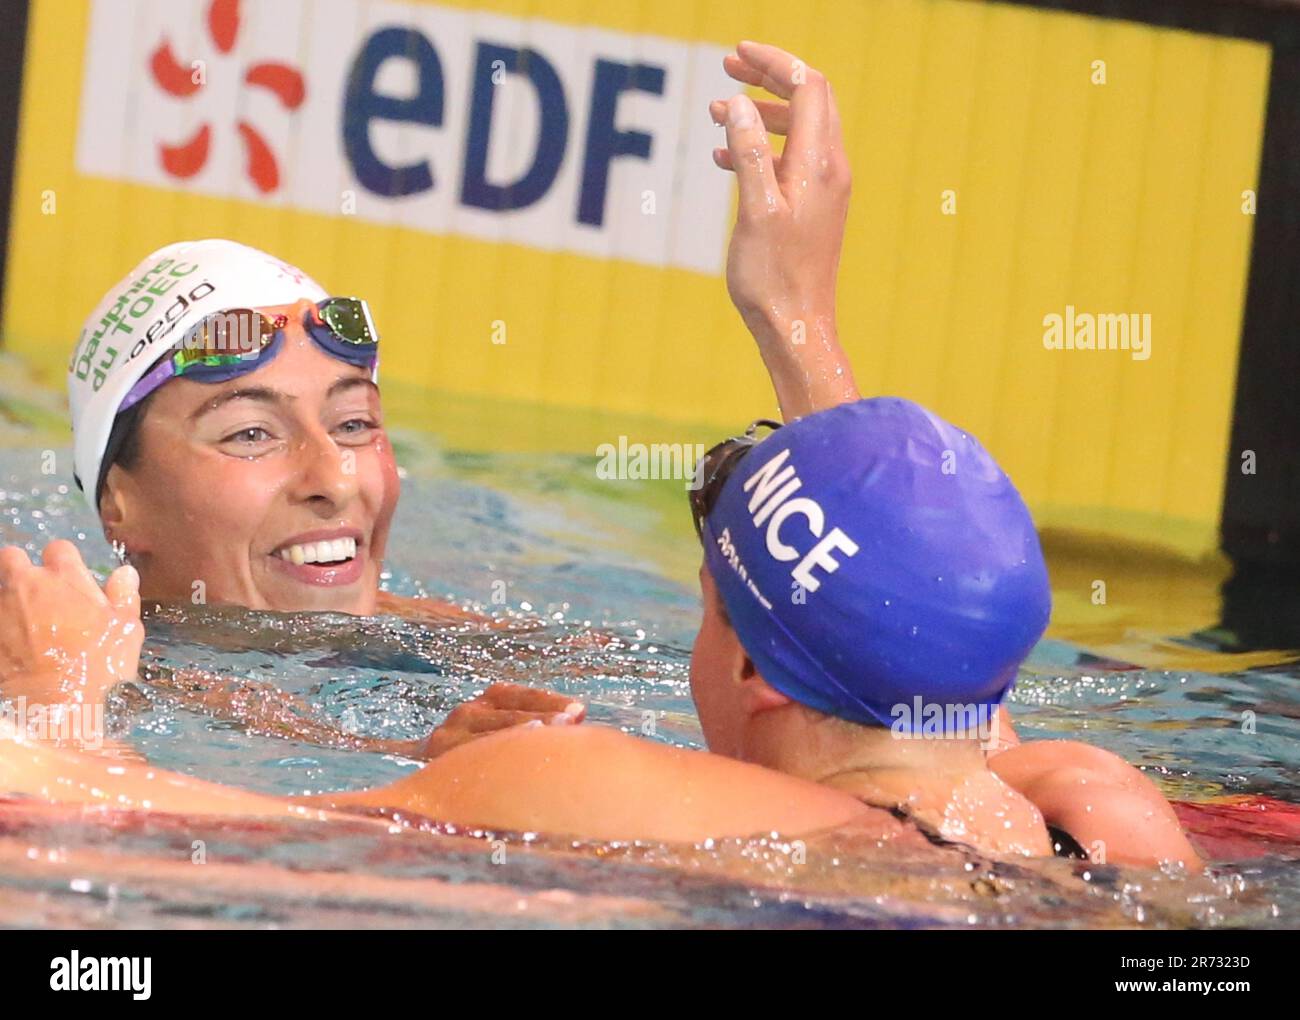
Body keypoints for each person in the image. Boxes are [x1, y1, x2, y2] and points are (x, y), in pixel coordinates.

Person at [0, 41, 1201, 870]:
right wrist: (797, 318)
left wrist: (60, 712)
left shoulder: (555, 739)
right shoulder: (1087, 807)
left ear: (743, 666)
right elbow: (911, 668)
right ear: (118, 503)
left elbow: (165, 848)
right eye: (253, 432)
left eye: (357, 418)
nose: (334, 473)